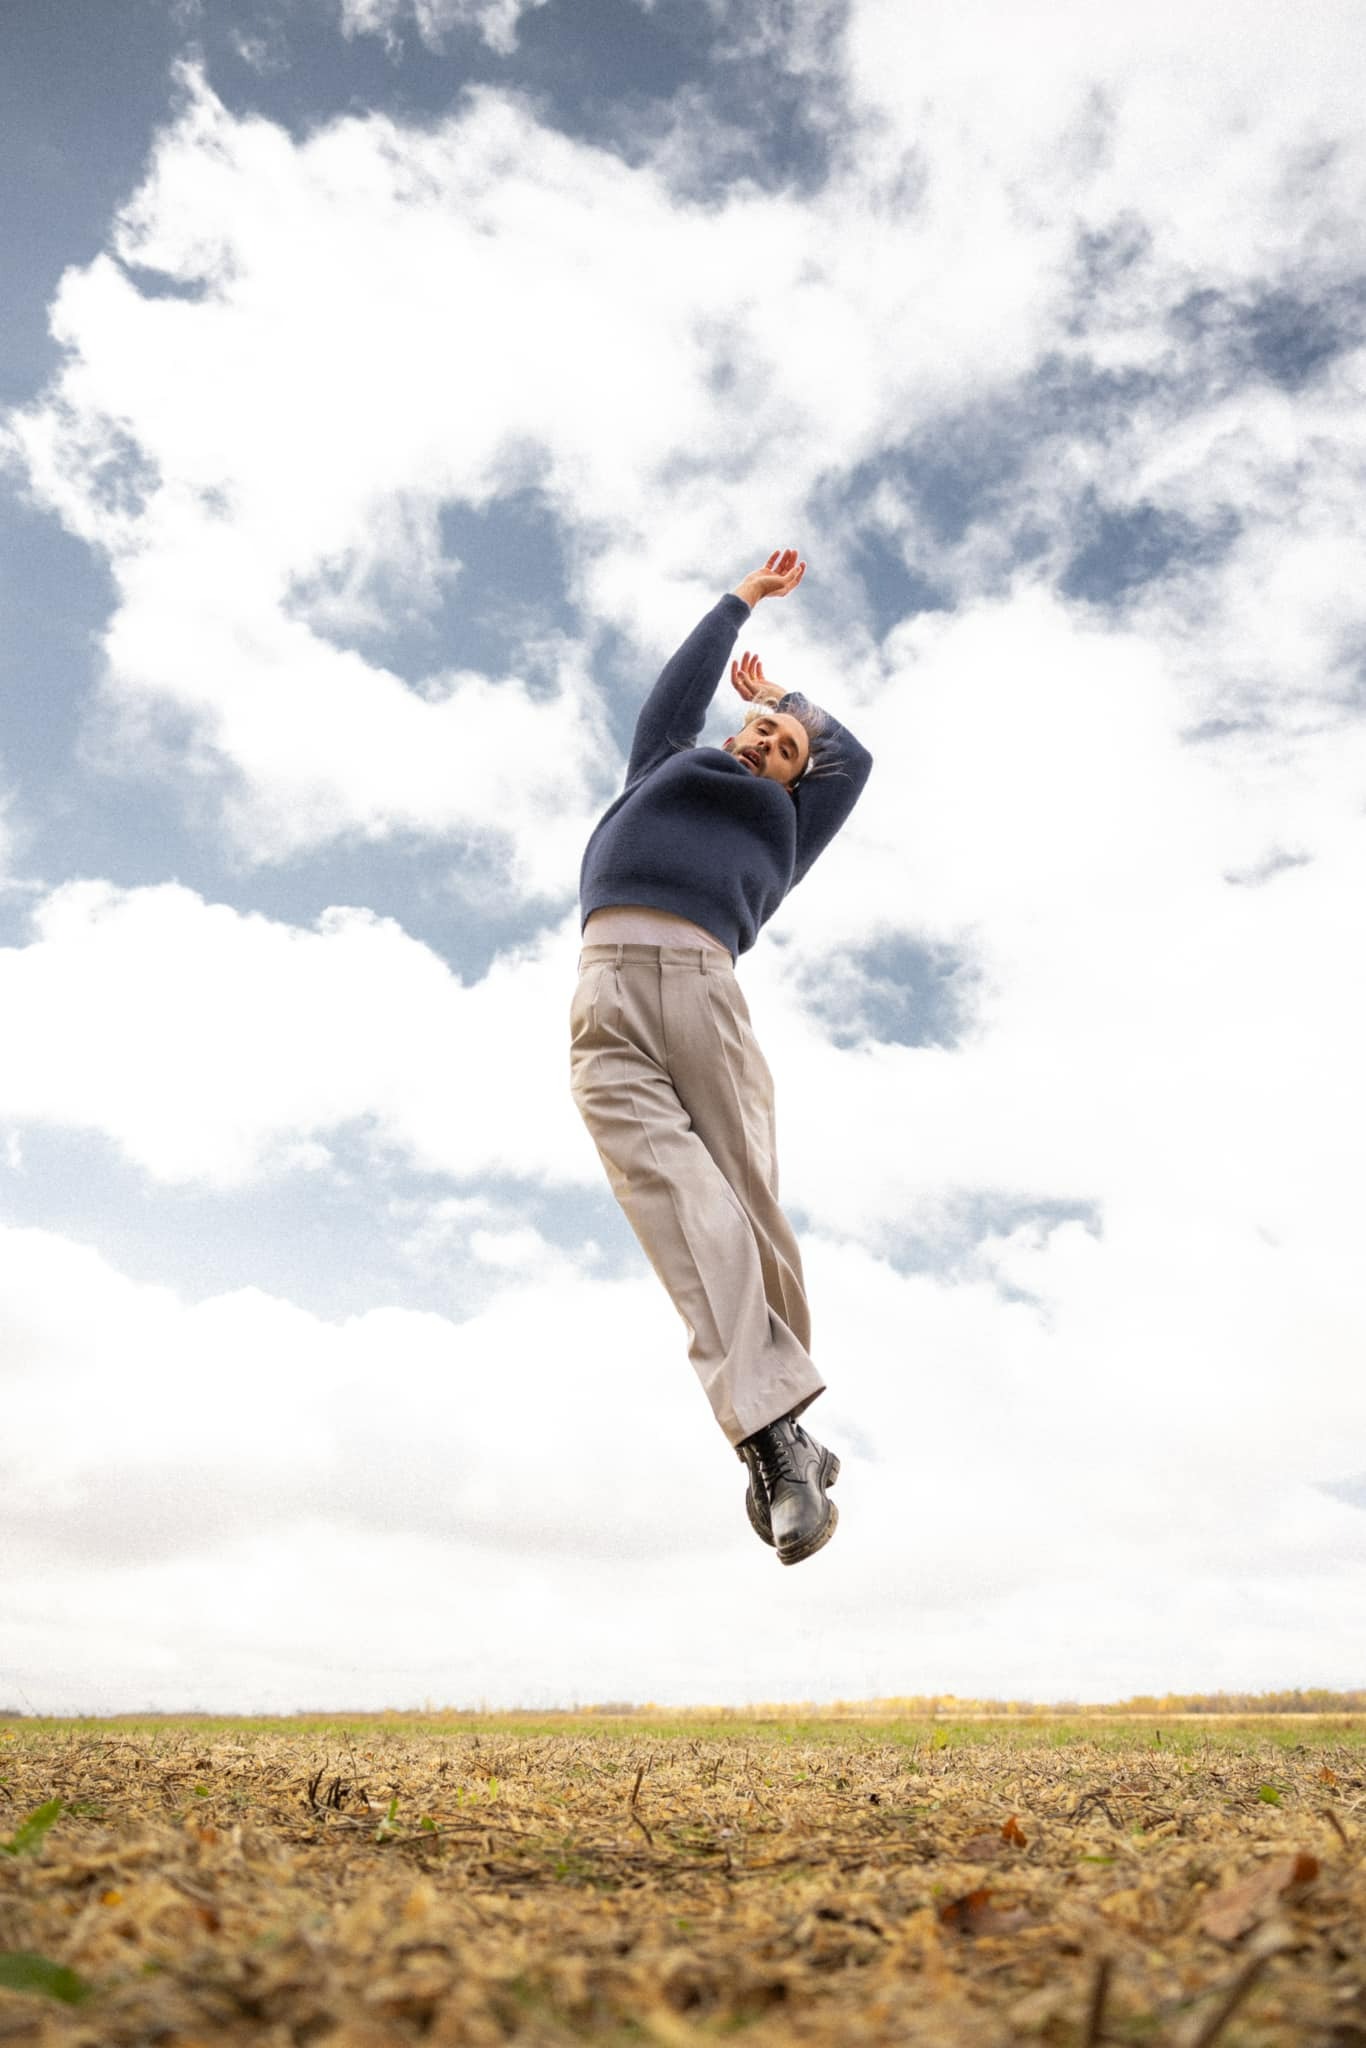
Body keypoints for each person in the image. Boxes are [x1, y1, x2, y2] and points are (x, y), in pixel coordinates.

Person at [570, 549, 873, 1565]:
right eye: (759, 729)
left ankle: (773, 1436)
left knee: (741, 1210)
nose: (765, 743)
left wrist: (792, 696)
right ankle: (780, 1439)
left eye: (784, 748)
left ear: (795, 779)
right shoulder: (666, 762)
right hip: (603, 991)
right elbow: (678, 692)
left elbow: (854, 759)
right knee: (678, 1209)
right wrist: (741, 601)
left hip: (703, 986)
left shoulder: (787, 825)